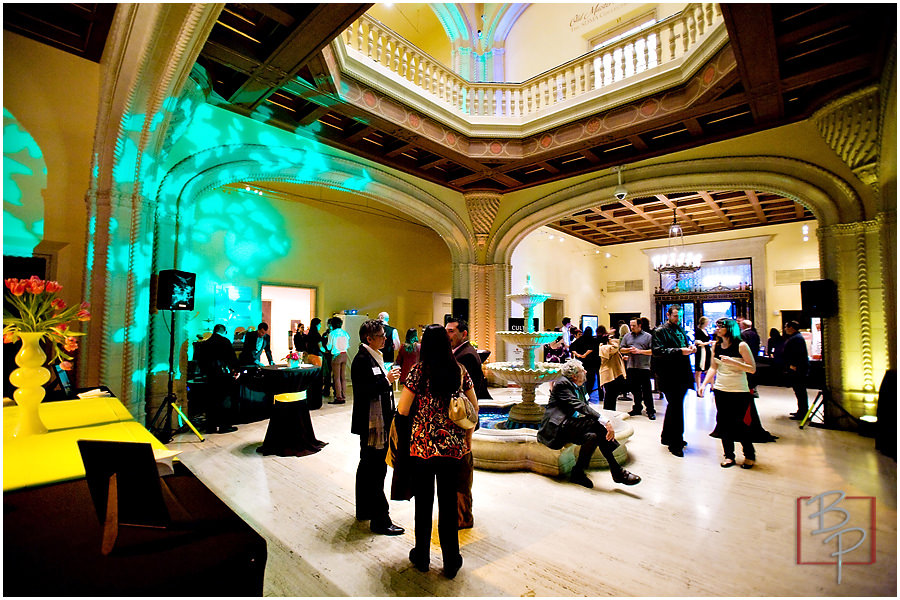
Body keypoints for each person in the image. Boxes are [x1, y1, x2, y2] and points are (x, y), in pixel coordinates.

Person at [397, 324, 478, 578]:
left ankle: (421, 556)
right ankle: (451, 560)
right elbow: (473, 408)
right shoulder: (459, 371)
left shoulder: (419, 372)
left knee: (423, 504)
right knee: (448, 504)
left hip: (422, 448)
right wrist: (466, 439)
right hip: (451, 449)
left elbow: (402, 409)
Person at [537, 359, 641, 488]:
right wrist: (605, 421)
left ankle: (578, 472)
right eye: (582, 370)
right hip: (558, 427)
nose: (585, 371)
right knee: (598, 425)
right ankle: (617, 471)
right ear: (574, 375)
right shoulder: (562, 384)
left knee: (593, 436)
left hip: (570, 424)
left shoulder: (580, 383)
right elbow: (578, 405)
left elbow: (585, 405)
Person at [350, 319, 403, 535]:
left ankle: (364, 509)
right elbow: (365, 391)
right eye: (381, 335)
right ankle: (381, 520)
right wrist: (387, 380)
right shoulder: (362, 359)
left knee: (368, 467)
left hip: (377, 422)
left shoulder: (374, 357)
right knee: (375, 470)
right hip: (372, 425)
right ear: (368, 338)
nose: (385, 338)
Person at [445, 317, 488, 529]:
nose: (449, 335)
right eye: (447, 331)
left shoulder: (467, 356)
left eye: (452, 331)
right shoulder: (459, 353)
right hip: (461, 422)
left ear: (464, 333)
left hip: (464, 422)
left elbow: (471, 395)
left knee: (463, 472)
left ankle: (463, 516)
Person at [698, 318, 758, 468]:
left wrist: (733, 362)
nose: (717, 329)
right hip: (721, 389)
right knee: (723, 423)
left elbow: (751, 368)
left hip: (738, 390)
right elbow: (713, 367)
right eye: (717, 326)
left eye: (721, 326)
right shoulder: (717, 346)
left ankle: (749, 454)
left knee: (740, 423)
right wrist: (704, 384)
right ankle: (729, 455)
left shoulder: (741, 345)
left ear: (730, 329)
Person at [652, 306, 696, 457]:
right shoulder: (660, 331)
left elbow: (684, 344)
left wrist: (690, 347)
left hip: (682, 373)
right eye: (676, 316)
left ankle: (668, 437)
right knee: (676, 407)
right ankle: (675, 442)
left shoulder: (680, 329)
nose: (678, 319)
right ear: (668, 315)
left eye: (680, 316)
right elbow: (657, 351)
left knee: (675, 406)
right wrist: (680, 351)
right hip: (669, 375)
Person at [196, 324, 239, 434]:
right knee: (225, 400)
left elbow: (200, 361)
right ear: (223, 331)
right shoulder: (225, 342)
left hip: (210, 376)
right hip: (223, 375)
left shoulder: (205, 343)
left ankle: (211, 427)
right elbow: (232, 358)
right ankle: (224, 426)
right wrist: (236, 370)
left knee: (211, 400)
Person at [621, 318, 655, 419]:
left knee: (647, 390)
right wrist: (629, 350)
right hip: (632, 366)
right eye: (630, 325)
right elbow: (621, 349)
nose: (631, 327)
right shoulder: (627, 336)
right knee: (635, 389)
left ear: (640, 326)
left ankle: (650, 410)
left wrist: (639, 351)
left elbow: (653, 351)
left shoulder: (648, 337)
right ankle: (637, 408)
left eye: (634, 326)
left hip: (644, 367)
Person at [783, 321, 810, 419]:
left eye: (786, 327)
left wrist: (793, 365)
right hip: (797, 368)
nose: (785, 329)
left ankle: (803, 412)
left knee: (800, 390)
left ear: (791, 328)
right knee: (799, 391)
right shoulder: (796, 337)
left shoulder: (796, 339)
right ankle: (801, 410)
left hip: (798, 369)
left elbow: (798, 354)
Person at [570, 326, 600, 400]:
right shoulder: (593, 340)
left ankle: (582, 393)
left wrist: (578, 355)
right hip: (592, 363)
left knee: (581, 378)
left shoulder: (580, 339)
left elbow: (572, 348)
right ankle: (588, 394)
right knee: (591, 379)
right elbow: (592, 349)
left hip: (582, 363)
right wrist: (585, 355)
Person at [326, 316, 351, 404]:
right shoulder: (345, 333)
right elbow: (348, 345)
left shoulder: (332, 334)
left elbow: (329, 346)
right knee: (343, 377)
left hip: (336, 356)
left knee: (336, 378)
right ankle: (343, 395)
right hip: (344, 354)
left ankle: (338, 397)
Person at [598, 337, 626, 411]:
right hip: (608, 374)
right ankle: (608, 413)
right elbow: (615, 347)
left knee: (612, 395)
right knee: (610, 395)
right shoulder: (604, 348)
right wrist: (611, 340)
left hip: (612, 374)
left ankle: (611, 412)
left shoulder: (607, 348)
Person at [740, 319, 762, 395]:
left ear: (744, 325)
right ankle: (753, 388)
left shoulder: (743, 334)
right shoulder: (755, 334)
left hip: (747, 356)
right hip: (754, 355)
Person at [694, 316, 712, 391]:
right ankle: (698, 387)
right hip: (701, 351)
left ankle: (712, 386)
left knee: (708, 368)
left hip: (707, 350)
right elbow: (698, 342)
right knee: (699, 369)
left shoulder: (706, 330)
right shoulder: (698, 331)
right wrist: (708, 343)